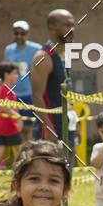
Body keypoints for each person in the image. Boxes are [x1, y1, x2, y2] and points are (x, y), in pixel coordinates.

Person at [30, 9, 74, 145]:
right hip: (51, 130)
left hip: (67, 124)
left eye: (73, 25)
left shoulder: (65, 53)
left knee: (68, 166)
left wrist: (74, 123)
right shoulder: (43, 57)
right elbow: (37, 96)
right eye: (66, 25)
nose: (72, 29)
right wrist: (48, 128)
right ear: (52, 28)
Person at [0, 62, 23, 186]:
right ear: (6, 75)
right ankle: (16, 177)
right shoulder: (5, 88)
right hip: (8, 125)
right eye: (15, 73)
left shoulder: (5, 88)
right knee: (21, 149)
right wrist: (17, 117)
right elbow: (3, 105)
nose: (17, 75)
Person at [4, 20, 41, 141]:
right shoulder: (8, 49)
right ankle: (21, 155)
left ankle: (29, 154)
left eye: (22, 33)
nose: (19, 36)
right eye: (16, 33)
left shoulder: (36, 48)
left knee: (28, 127)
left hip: (28, 94)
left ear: (28, 34)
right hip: (13, 95)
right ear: (12, 34)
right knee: (16, 127)